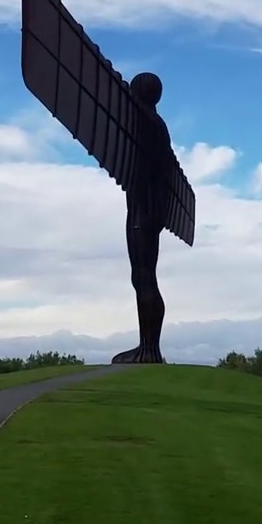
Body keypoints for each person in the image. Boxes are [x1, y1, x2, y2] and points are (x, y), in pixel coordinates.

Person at [112, 72, 170, 364]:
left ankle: (149, 349)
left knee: (143, 277)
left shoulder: (146, 124)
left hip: (142, 208)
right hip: (150, 207)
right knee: (145, 277)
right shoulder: (157, 125)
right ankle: (148, 346)